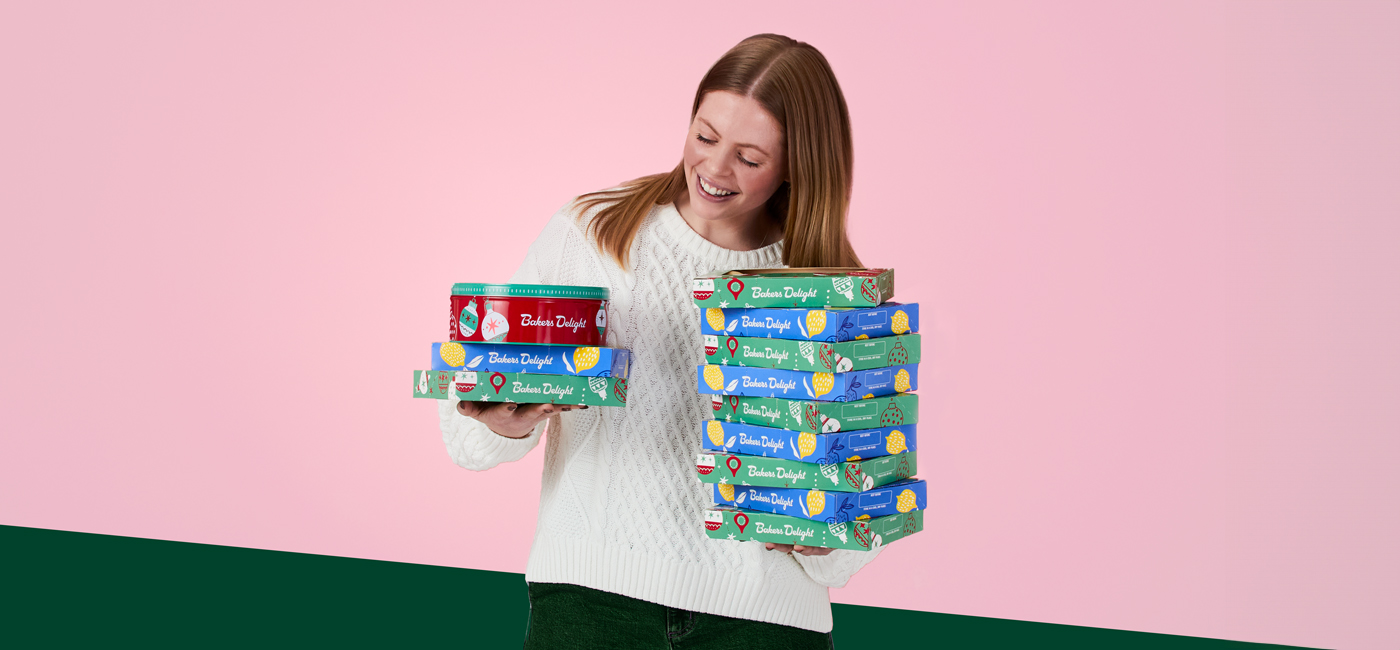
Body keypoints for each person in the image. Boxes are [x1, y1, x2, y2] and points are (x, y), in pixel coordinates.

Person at [441, 34, 874, 648]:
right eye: (704, 136)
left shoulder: (834, 293)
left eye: (750, 158)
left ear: (798, 167)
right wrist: (505, 421)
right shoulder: (591, 232)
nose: (716, 169)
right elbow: (466, 436)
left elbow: (852, 540)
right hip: (590, 606)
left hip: (766, 624)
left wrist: (817, 526)